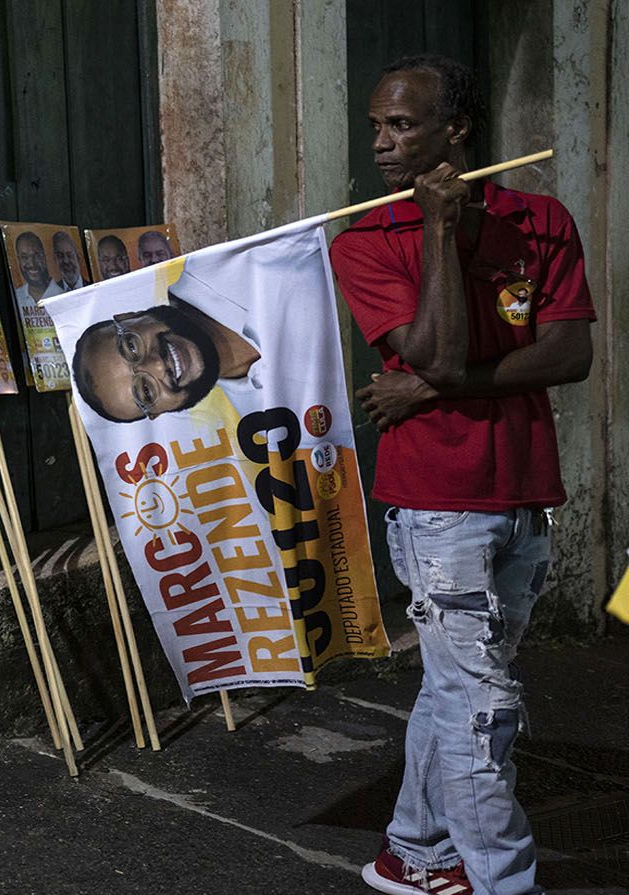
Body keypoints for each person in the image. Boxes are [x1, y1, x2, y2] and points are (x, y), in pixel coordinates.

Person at [331, 55, 594, 895]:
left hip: (523, 493)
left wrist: (432, 386)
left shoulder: (539, 218)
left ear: (457, 132)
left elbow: (570, 352)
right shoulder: (367, 241)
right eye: (376, 125)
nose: (381, 144)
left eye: (401, 125)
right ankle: (502, 882)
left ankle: (412, 851)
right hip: (438, 506)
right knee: (484, 708)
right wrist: (439, 228)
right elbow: (438, 347)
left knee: (458, 691)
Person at [69, 272, 261, 424]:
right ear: (158, 412)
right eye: (146, 392)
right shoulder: (264, 413)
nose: (158, 366)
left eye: (132, 347)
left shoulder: (222, 267)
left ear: (128, 316)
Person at [12, 230, 59, 304]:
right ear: (19, 260)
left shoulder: (63, 295)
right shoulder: (15, 297)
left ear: (44, 256)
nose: (32, 264)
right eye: (24, 257)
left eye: (36, 255)